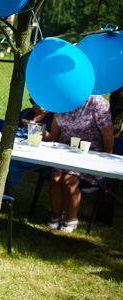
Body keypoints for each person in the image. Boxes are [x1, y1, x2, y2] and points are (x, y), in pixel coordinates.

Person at [46, 94, 114, 232]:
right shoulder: (60, 99)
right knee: (55, 177)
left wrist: (107, 163)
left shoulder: (97, 103)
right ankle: (56, 217)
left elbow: (108, 136)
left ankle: (71, 219)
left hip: (90, 154)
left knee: (68, 180)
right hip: (65, 151)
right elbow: (55, 130)